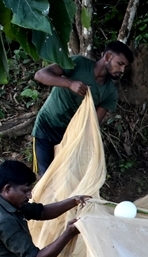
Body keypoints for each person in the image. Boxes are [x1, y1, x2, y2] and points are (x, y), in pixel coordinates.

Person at [31, 41, 134, 176]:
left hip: (69, 138)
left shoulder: (110, 93)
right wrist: (70, 83)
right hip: (46, 126)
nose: (122, 70)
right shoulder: (78, 63)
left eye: (124, 67)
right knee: (46, 178)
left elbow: (92, 124)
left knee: (62, 179)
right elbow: (40, 75)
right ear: (108, 57)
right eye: (120, 64)